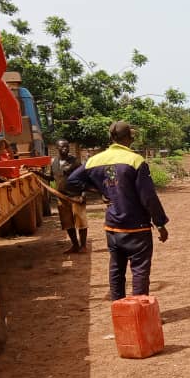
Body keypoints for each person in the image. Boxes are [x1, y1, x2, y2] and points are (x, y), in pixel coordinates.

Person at [68, 122, 169, 301]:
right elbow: (148, 197)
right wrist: (160, 223)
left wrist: (101, 190)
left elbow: (72, 181)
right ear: (129, 138)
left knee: (116, 269)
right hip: (137, 228)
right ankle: (138, 312)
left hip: (113, 227)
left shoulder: (95, 160)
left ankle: (119, 309)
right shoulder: (136, 161)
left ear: (111, 138)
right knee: (139, 270)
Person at [51, 139, 88, 253]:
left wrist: (83, 194)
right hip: (62, 197)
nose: (65, 149)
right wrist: (35, 172)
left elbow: (85, 178)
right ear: (57, 148)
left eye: (67, 147)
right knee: (68, 223)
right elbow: (51, 178)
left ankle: (83, 246)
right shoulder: (54, 162)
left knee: (81, 223)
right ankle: (75, 245)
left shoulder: (75, 162)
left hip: (76, 196)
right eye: (62, 147)